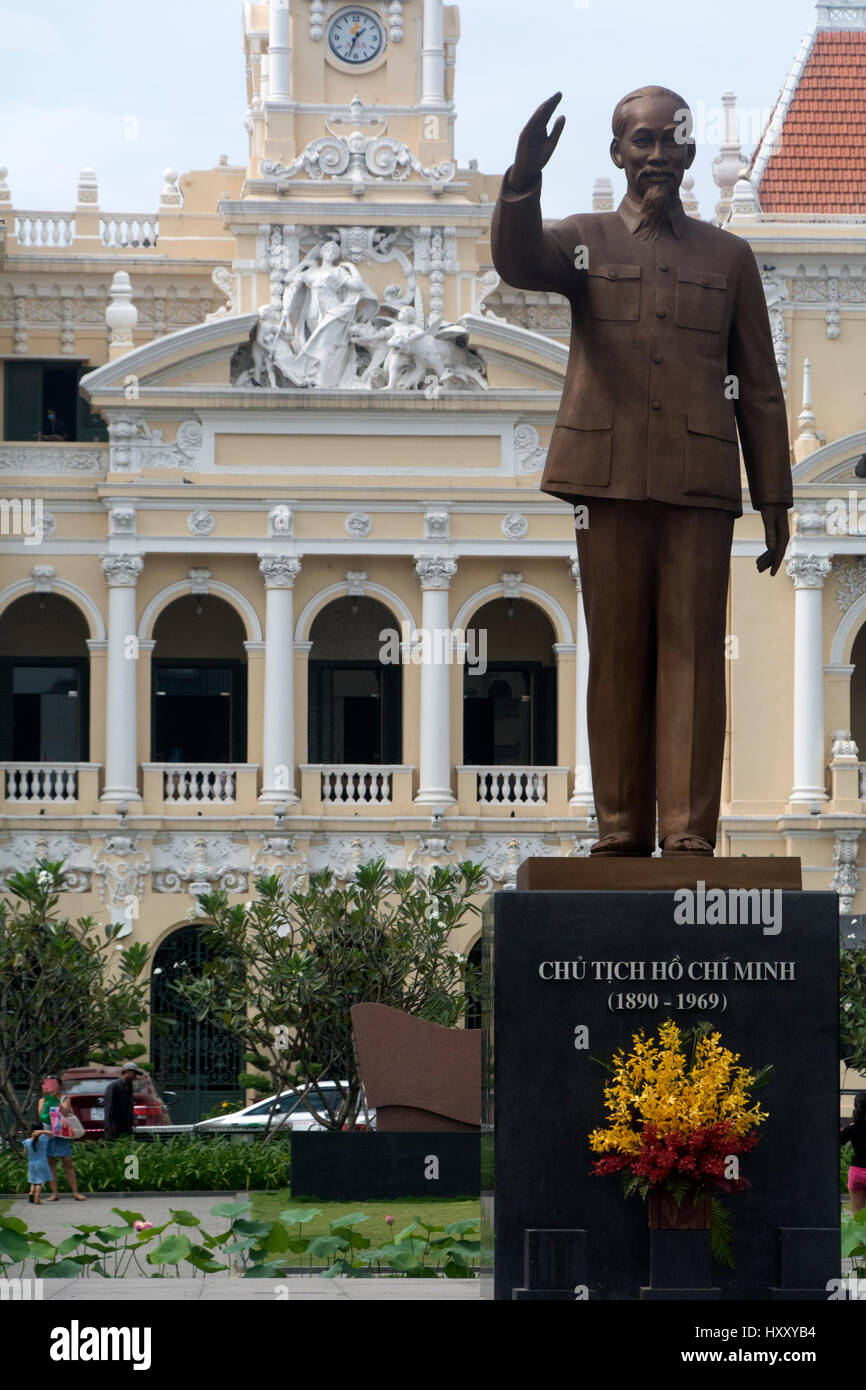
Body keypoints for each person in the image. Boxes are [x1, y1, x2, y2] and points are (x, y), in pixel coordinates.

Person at [492, 89, 791, 857]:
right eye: (643, 140)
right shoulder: (584, 240)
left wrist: (776, 498)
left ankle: (690, 830)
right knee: (616, 653)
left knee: (693, 656)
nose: (657, 154)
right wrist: (521, 181)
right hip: (607, 478)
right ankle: (620, 829)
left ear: (690, 154)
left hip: (698, 482)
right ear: (618, 152)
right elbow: (517, 260)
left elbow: (758, 385)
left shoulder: (729, 256)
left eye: (671, 141)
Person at [38, 1075, 85, 1201]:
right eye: (47, 1083)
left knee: (67, 1162)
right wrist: (48, 1099)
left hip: (62, 1134)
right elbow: (42, 1116)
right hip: (48, 1134)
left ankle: (75, 1192)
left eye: (53, 1084)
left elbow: (63, 1112)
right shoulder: (42, 1101)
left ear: (59, 1085)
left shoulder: (65, 1099)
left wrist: (54, 1100)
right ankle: (54, 1193)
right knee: (50, 1162)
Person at [841, 1091, 866, 1215]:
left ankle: (859, 1234)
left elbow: (837, 1141)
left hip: (857, 1172)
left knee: (857, 1215)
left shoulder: (852, 1128)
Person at [103, 1063, 141, 1140]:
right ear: (127, 1071)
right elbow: (109, 1106)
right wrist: (110, 1124)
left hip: (126, 1124)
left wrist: (133, 1117)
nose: (135, 1076)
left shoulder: (129, 1086)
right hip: (115, 1124)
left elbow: (129, 1105)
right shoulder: (114, 1086)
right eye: (134, 1073)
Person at [23, 1121, 53, 1204]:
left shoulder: (27, 1141)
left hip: (31, 1163)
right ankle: (37, 1199)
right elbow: (51, 1133)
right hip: (41, 1162)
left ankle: (31, 1193)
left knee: (33, 1181)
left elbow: (24, 1153)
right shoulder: (44, 1139)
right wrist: (42, 1132)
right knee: (39, 1182)